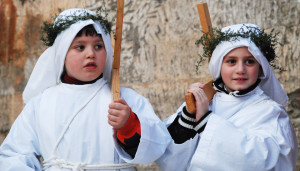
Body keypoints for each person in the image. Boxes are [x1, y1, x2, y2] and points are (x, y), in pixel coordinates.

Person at [0, 8, 171, 170]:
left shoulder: (124, 99)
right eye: (80, 47)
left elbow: (157, 147)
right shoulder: (40, 105)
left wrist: (129, 126)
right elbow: (14, 155)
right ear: (61, 53)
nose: (91, 54)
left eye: (98, 46)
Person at [157, 24, 298, 170]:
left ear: (261, 66)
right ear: (219, 66)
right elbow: (168, 159)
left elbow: (268, 162)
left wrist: (206, 122)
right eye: (231, 61)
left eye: (249, 61)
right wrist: (188, 117)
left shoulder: (271, 112)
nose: (240, 70)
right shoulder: (206, 102)